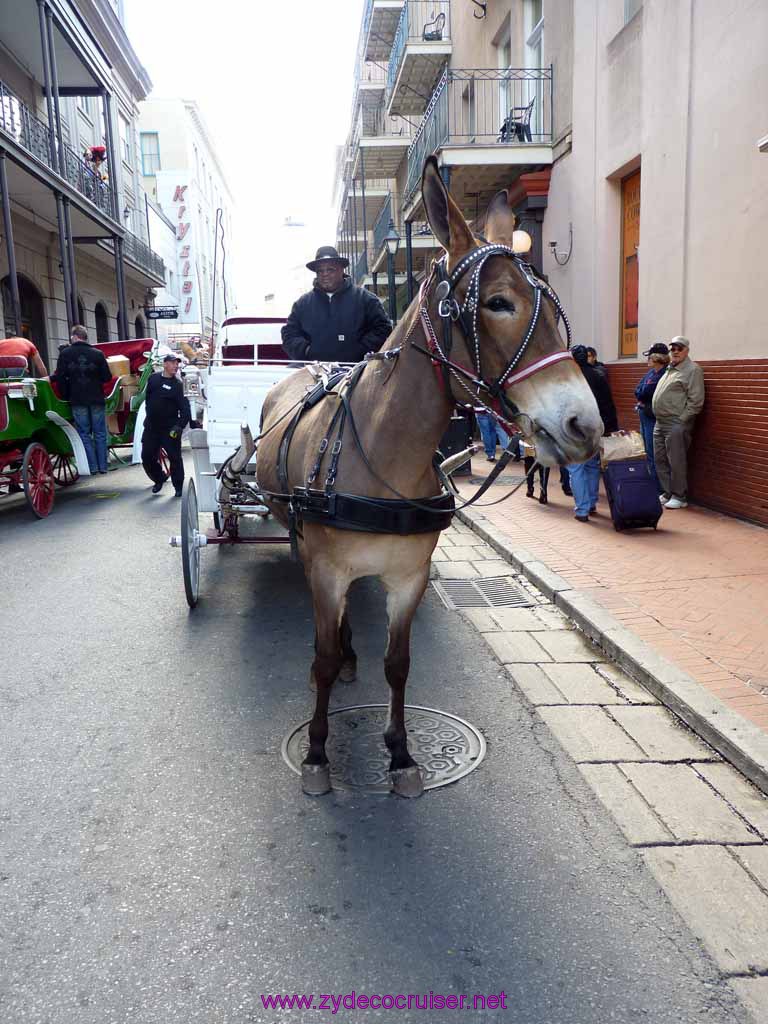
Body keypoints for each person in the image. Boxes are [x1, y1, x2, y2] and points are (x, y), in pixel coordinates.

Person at [281, 246, 391, 363]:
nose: (325, 274)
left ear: (341, 270)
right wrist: (307, 351)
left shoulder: (366, 299)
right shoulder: (302, 304)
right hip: (312, 372)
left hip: (358, 372)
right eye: (320, 271)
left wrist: (359, 350)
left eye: (330, 269)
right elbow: (289, 334)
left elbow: (383, 328)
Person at [651, 335, 705, 510]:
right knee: (660, 459)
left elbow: (696, 401)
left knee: (676, 461)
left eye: (679, 348)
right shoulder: (670, 368)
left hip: (675, 423)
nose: (675, 352)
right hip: (660, 422)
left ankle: (679, 496)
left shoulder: (693, 370)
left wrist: (680, 422)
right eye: (672, 348)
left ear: (687, 350)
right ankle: (667, 493)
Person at [567, 344, 619, 522]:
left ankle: (582, 509)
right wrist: (611, 429)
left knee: (576, 469)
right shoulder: (599, 376)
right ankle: (591, 504)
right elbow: (608, 405)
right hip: (596, 428)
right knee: (591, 466)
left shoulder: (569, 378)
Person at [54, 325, 111, 474]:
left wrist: (66, 395)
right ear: (85, 337)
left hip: (77, 399)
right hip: (96, 398)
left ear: (74, 336)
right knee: (100, 433)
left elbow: (60, 377)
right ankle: (103, 466)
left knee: (83, 434)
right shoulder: (98, 354)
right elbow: (107, 377)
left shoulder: (65, 354)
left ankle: (91, 467)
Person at [141, 353, 190, 496]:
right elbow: (148, 399)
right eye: (173, 363)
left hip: (169, 429)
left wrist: (179, 426)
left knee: (175, 458)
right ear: (165, 364)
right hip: (151, 427)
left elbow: (185, 411)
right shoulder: (153, 379)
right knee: (147, 456)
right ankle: (159, 478)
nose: (176, 366)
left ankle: (178, 486)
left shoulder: (178, 386)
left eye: (177, 363)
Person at [634, 342, 669, 493]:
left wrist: (642, 392)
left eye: (650, 356)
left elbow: (644, 392)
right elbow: (638, 390)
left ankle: (659, 489)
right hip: (644, 414)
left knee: (655, 454)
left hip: (652, 417)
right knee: (648, 453)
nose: (647, 359)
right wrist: (642, 392)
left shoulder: (663, 374)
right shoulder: (651, 373)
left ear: (656, 358)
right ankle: (654, 485)